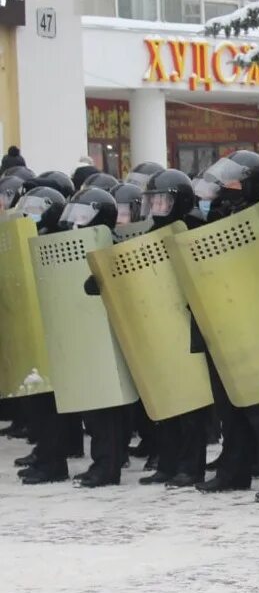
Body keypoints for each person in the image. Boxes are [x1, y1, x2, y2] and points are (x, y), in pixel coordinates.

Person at [192, 150, 259, 503]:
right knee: (229, 406)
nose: (227, 187)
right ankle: (233, 472)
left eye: (234, 181)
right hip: (225, 321)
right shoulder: (221, 215)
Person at [135, 169, 212, 489]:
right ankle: (166, 463)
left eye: (163, 199)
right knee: (164, 399)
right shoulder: (149, 231)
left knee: (191, 401)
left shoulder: (195, 227)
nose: (157, 206)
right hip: (156, 322)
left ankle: (191, 467)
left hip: (187, 323)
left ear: (179, 200)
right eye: (152, 200)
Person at [8, 186, 78, 485]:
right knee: (36, 401)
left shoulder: (56, 238)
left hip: (53, 329)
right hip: (33, 330)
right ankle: (46, 454)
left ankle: (54, 461)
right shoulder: (26, 237)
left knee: (50, 403)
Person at [65, 188, 132, 488]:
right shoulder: (77, 245)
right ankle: (102, 462)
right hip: (89, 337)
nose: (76, 221)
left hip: (107, 338)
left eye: (83, 214)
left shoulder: (110, 245)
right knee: (94, 411)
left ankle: (108, 466)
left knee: (106, 411)